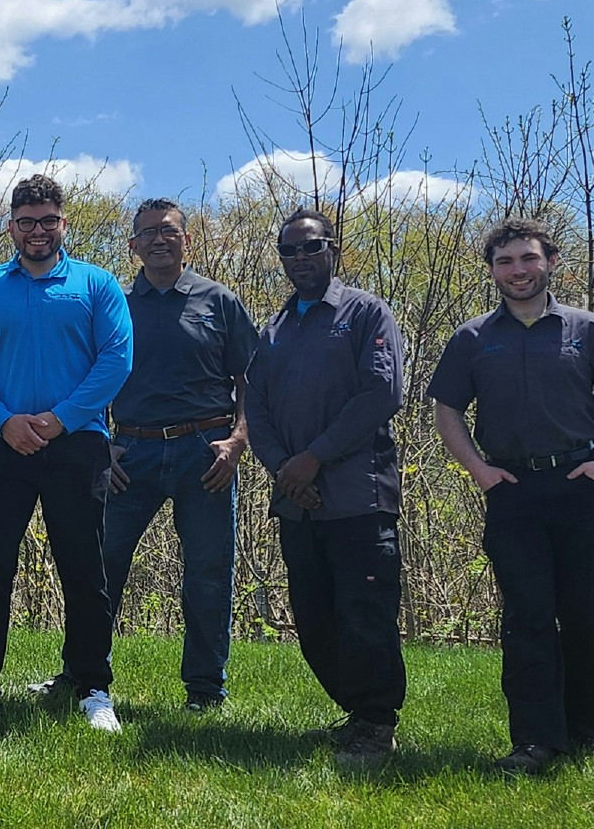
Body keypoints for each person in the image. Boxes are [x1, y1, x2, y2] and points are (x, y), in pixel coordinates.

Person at [429, 218, 594, 776]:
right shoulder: (473, 338)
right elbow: (446, 412)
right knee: (527, 620)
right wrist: (479, 470)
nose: (518, 270)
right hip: (513, 491)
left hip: (581, 486)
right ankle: (534, 741)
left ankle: (589, 735)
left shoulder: (588, 329)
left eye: (528, 259)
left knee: (591, 617)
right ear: (492, 271)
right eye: (505, 262)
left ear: (550, 263)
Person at [31, 198, 257, 711]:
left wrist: (239, 442)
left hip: (205, 453)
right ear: (132, 245)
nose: (159, 238)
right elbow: (87, 381)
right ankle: (80, 675)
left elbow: (252, 382)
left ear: (187, 240)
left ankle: (205, 690)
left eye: (169, 230)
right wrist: (100, 445)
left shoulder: (218, 301)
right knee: (99, 568)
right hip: (127, 454)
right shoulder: (114, 304)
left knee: (206, 572)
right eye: (148, 232)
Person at [0, 174, 132, 732]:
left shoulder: (98, 284)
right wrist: (3, 422)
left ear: (63, 223)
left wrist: (57, 420)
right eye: (26, 222)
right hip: (2, 446)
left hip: (78, 445)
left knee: (84, 567)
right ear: (11, 227)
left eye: (48, 220)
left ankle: (94, 688)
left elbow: (115, 361)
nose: (37, 231)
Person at [245, 207, 406, 769]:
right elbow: (256, 409)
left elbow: (381, 394)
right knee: (313, 617)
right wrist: (285, 469)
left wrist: (314, 459)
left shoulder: (365, 314)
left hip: (358, 496)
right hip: (297, 501)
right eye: (290, 250)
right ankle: (356, 709)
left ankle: (376, 722)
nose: (301, 258)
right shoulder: (274, 329)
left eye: (312, 247)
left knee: (366, 612)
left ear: (333, 249)